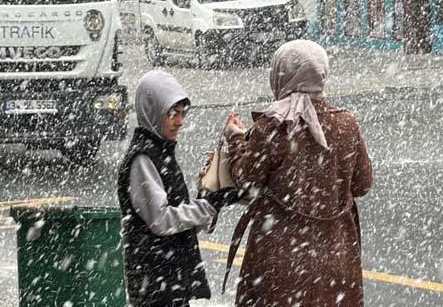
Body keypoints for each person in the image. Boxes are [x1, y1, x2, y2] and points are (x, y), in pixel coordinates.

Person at [222, 39, 374, 307]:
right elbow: (362, 184)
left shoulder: (273, 126)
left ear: (281, 74)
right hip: (336, 255)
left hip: (279, 258)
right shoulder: (346, 124)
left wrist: (236, 142)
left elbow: (246, 181)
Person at [117, 70, 238, 307]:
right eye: (172, 114)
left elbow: (177, 212)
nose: (180, 122)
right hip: (154, 278)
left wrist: (210, 201)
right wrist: (208, 205)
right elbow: (161, 219)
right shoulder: (143, 158)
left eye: (182, 113)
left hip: (168, 276)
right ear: (152, 111)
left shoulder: (160, 151)